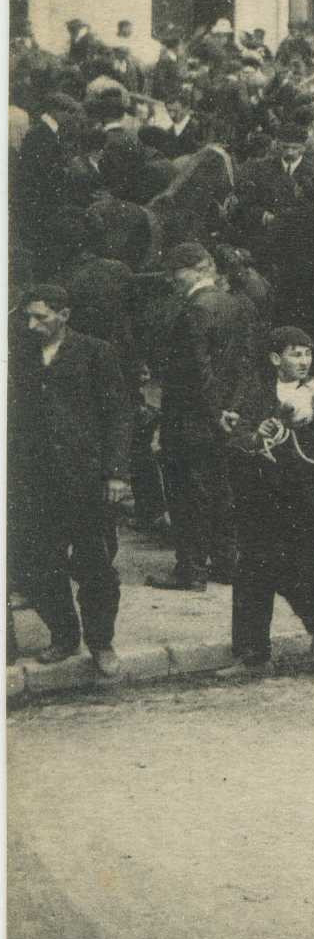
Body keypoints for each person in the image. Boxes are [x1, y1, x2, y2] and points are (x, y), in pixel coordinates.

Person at [9, 285, 131, 676]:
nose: (32, 324)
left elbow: (119, 416)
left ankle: (101, 643)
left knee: (95, 565)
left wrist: (116, 473)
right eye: (28, 316)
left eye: (40, 317)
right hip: (36, 479)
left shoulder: (96, 352)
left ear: (64, 314)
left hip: (87, 479)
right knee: (39, 563)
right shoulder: (21, 354)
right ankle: (64, 635)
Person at [217, 326, 314, 676]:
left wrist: (309, 419)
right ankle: (254, 657)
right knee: (252, 572)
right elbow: (235, 437)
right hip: (259, 499)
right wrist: (256, 438)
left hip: (304, 502)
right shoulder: (254, 394)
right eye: (294, 354)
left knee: (295, 574)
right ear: (275, 359)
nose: (303, 361)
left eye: (307, 354)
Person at [147, 240, 258, 592]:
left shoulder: (194, 310)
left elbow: (197, 370)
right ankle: (227, 563)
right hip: (225, 415)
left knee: (185, 493)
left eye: (175, 272)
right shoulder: (237, 305)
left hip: (191, 417)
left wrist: (213, 413)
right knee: (219, 490)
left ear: (197, 269)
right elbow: (245, 365)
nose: (171, 279)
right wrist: (232, 409)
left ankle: (191, 571)